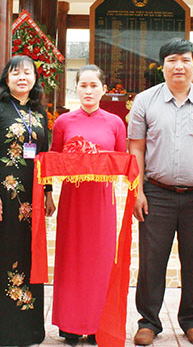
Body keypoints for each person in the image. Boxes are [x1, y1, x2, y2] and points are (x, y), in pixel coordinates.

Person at [129, 39, 193, 346]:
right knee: (152, 260)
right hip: (157, 193)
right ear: (162, 65)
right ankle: (148, 321)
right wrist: (138, 191)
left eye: (185, 60)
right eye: (171, 60)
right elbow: (136, 148)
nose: (178, 66)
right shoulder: (145, 101)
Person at [0, 55, 55, 346]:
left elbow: (44, 156)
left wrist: (48, 192)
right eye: (15, 73)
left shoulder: (39, 112)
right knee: (3, 254)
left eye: (27, 73)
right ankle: (1, 330)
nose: (22, 77)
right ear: (6, 79)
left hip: (32, 197)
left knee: (29, 253)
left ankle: (29, 330)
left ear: (35, 78)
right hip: (4, 197)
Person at [49, 64, 127, 345]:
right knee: (71, 258)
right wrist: (48, 193)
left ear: (104, 89)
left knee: (100, 260)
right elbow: (52, 160)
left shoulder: (115, 123)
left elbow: (122, 161)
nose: (88, 91)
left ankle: (97, 324)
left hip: (102, 200)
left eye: (94, 86)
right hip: (72, 199)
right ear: (76, 88)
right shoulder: (64, 122)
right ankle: (70, 324)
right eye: (83, 85)